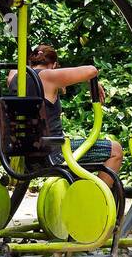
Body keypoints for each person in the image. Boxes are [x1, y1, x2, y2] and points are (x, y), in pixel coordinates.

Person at [7, 44, 123, 188]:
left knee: (76, 152)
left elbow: (21, 67)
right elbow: (91, 70)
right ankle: (98, 201)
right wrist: (90, 80)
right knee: (116, 150)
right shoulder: (47, 76)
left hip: (26, 156)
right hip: (53, 155)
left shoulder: (13, 78)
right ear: (54, 65)